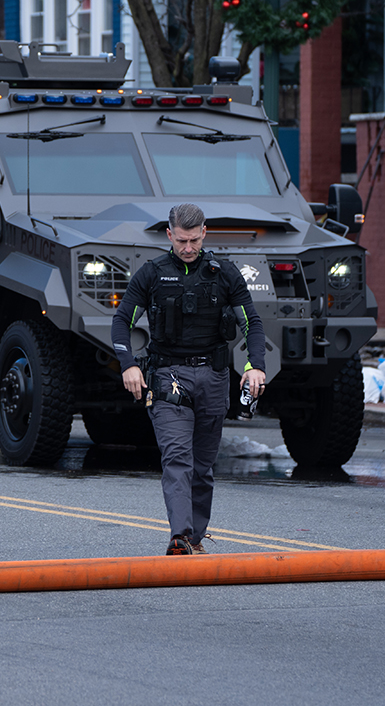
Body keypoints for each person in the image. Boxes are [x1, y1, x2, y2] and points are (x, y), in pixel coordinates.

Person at [110, 203, 267, 556]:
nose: (188, 248)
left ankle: (195, 538)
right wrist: (128, 364)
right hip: (168, 378)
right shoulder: (151, 274)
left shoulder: (225, 273)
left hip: (213, 377)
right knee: (178, 458)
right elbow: (121, 321)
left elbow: (251, 323)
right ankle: (179, 537)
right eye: (181, 240)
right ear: (169, 235)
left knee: (203, 466)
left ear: (204, 233)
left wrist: (255, 365)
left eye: (194, 240)